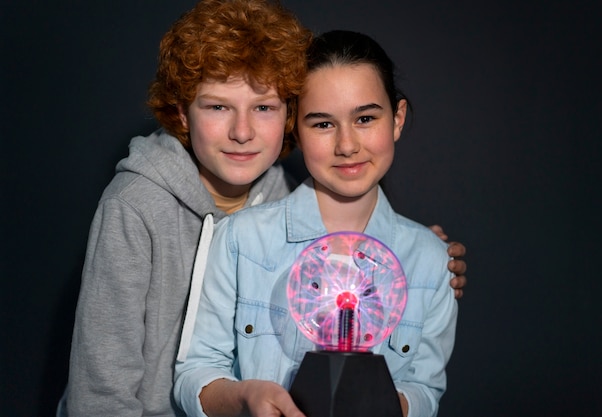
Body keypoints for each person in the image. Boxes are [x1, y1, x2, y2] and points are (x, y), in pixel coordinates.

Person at [59, 1, 466, 416]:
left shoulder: (280, 192)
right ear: (182, 113)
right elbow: (104, 389)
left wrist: (427, 257)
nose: (242, 132)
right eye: (218, 106)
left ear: (286, 117)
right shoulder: (140, 207)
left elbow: (421, 382)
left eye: (264, 107)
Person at [174, 30, 458, 417]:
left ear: (397, 119)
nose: (346, 145)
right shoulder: (241, 240)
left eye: (365, 118)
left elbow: (425, 388)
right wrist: (244, 397)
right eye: (323, 124)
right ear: (296, 130)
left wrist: (386, 405)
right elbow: (194, 375)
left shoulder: (431, 261)